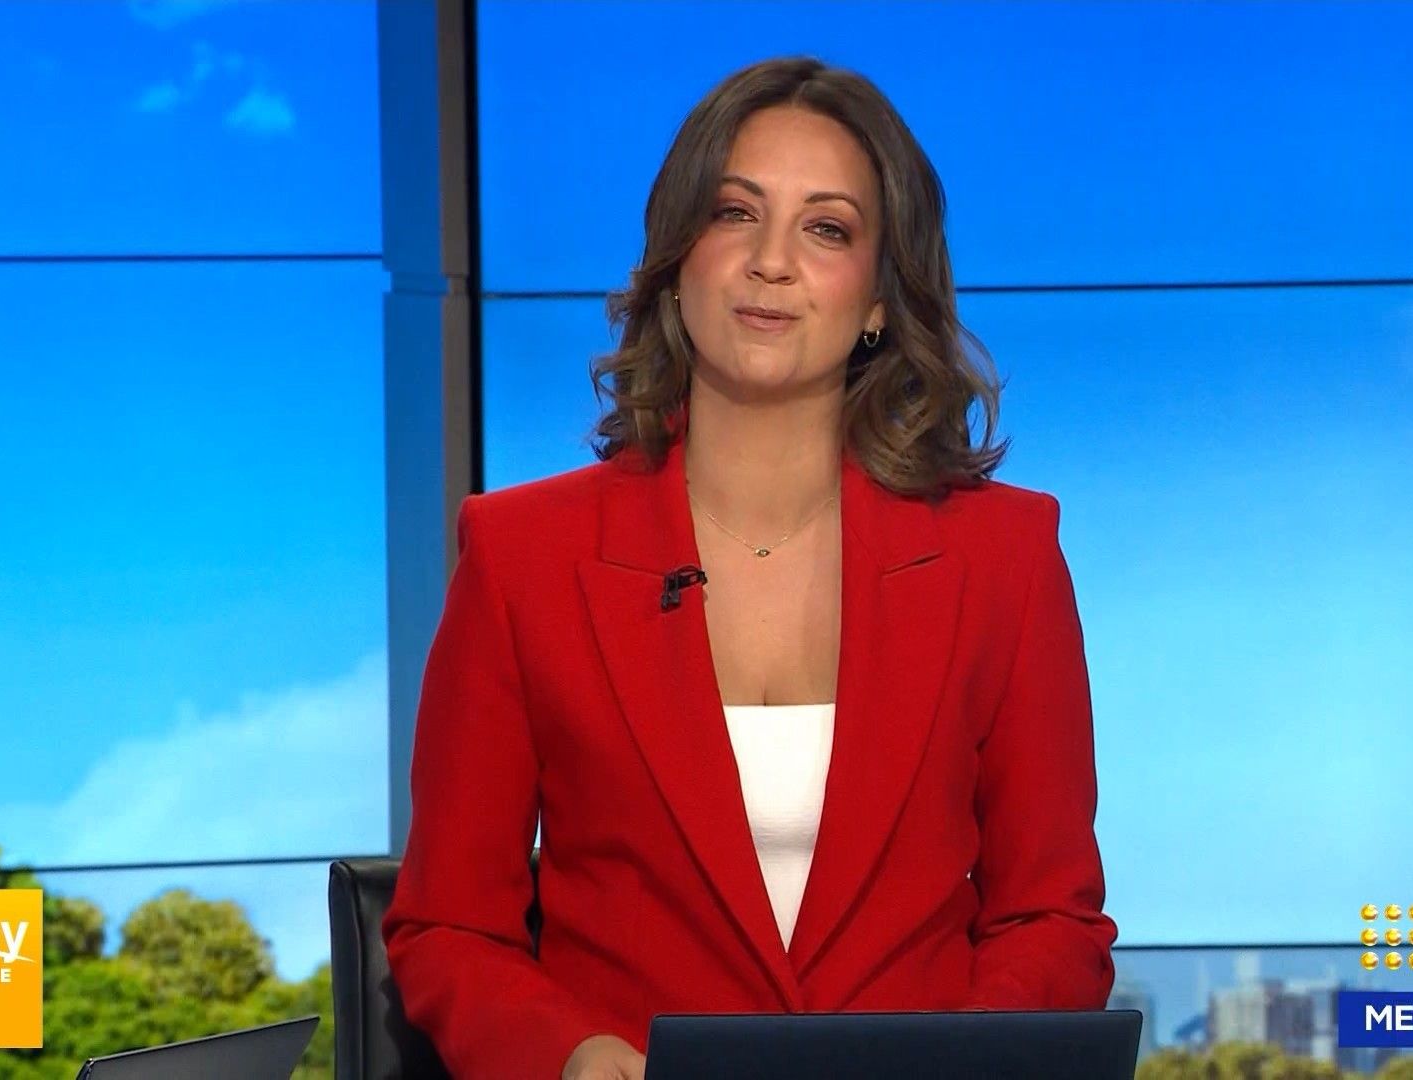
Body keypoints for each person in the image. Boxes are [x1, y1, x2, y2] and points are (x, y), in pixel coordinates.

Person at [381, 56, 1117, 1080]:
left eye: (827, 229)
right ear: (678, 258)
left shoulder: (1005, 556)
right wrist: (571, 1056)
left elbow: (1050, 918)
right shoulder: (522, 557)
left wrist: (966, 1059)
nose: (772, 262)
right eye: (736, 214)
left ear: (878, 296)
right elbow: (451, 927)